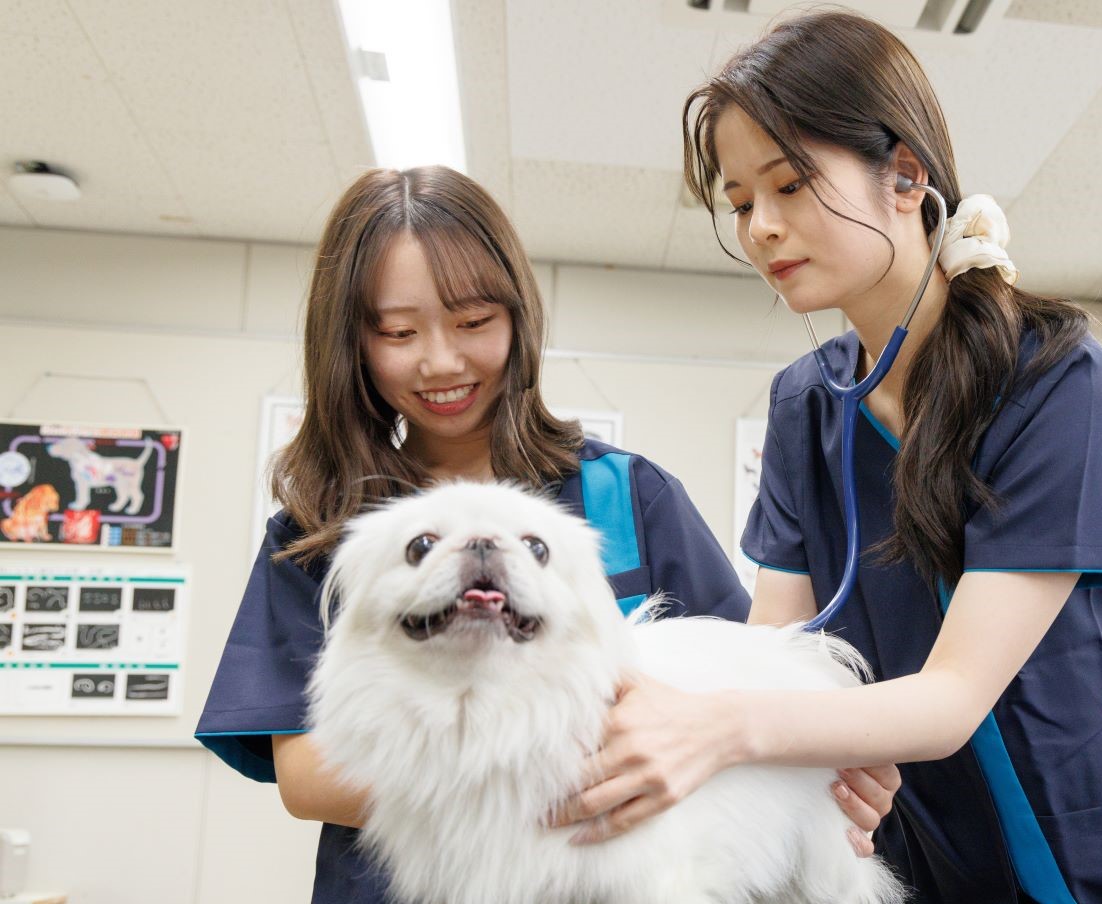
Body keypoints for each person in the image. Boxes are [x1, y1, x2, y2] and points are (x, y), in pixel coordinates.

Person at [556, 12, 1102, 903]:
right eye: (740, 202)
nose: (760, 227)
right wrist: (805, 739)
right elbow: (777, 652)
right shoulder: (807, 405)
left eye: (790, 184)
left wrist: (722, 728)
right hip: (921, 851)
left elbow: (951, 701)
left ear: (906, 176)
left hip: (1093, 855)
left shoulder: (1060, 384)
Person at [194, 166, 891, 902]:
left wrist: (822, 765)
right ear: (352, 344)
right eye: (400, 333)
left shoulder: (624, 495)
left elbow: (738, 701)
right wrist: (544, 771)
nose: (441, 361)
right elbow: (305, 774)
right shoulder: (321, 530)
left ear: (519, 317)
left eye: (472, 323)